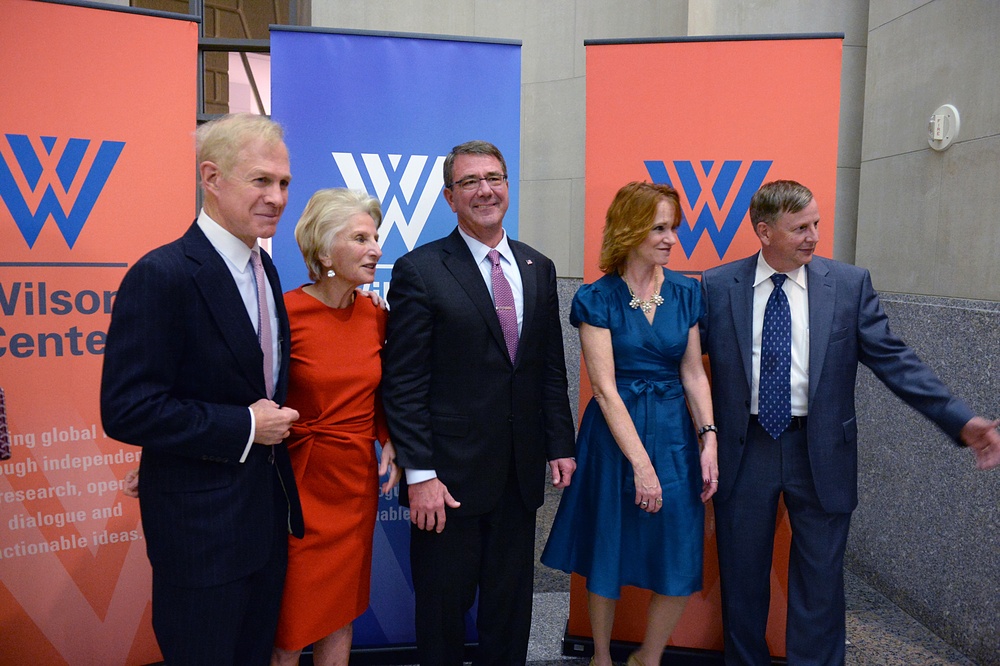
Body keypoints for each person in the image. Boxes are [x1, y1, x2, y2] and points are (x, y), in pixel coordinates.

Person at [699, 179, 1000, 665]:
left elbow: (897, 362)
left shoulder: (848, 285)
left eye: (816, 224)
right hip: (745, 448)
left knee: (820, 585)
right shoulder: (716, 286)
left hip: (820, 451)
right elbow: (688, 367)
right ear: (764, 231)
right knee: (741, 580)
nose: (813, 236)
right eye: (800, 228)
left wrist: (962, 421)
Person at [100, 113, 304, 666]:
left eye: (283, 182)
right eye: (261, 180)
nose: (278, 197)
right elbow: (127, 409)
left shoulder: (265, 267)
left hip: (263, 527)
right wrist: (243, 426)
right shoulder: (162, 274)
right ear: (211, 178)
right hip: (200, 540)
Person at [381, 140, 577, 665]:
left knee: (510, 613)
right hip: (447, 484)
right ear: (449, 197)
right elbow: (403, 383)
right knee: (443, 616)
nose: (485, 190)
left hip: (518, 475)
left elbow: (549, 369)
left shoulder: (537, 265)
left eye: (494, 178)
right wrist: (420, 475)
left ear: (508, 187)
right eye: (469, 182)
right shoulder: (420, 269)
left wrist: (560, 443)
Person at [541, 182, 719, 666]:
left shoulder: (686, 292)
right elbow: (604, 388)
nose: (671, 239)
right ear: (630, 228)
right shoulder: (597, 297)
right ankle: (600, 657)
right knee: (607, 546)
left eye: (674, 228)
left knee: (681, 548)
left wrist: (708, 439)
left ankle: (649, 657)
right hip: (613, 437)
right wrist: (641, 465)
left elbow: (692, 371)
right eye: (659, 228)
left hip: (674, 433)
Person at [270, 188, 402, 666]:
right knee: (289, 624)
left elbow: (385, 388)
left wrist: (387, 437)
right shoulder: (284, 313)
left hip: (354, 484)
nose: (376, 249)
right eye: (361, 238)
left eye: (376, 237)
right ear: (324, 250)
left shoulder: (376, 315)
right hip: (297, 487)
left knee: (340, 612)